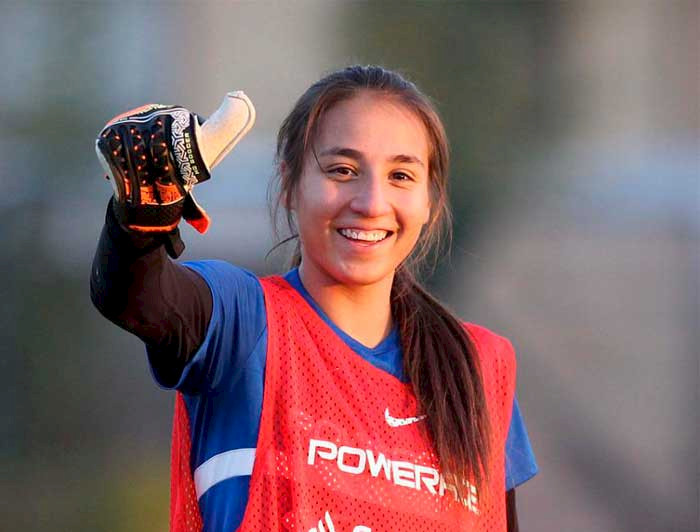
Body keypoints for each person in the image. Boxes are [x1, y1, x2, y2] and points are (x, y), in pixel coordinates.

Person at [91, 65, 537, 532]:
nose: (371, 202)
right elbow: (136, 296)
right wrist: (139, 216)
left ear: (430, 200)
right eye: (342, 170)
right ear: (290, 184)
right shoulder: (245, 325)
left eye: (401, 175)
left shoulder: (479, 368)